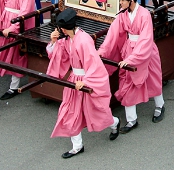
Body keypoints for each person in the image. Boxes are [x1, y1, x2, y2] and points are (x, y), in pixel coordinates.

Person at [47, 9, 120, 158]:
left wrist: (86, 81)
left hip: (87, 79)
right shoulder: (67, 39)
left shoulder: (84, 40)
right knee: (70, 110)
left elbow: (95, 66)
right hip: (74, 79)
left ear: (65, 28)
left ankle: (114, 122)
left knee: (97, 111)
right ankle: (77, 146)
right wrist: (53, 42)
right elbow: (59, 55)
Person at [97, 0, 165, 132]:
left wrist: (131, 59)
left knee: (152, 79)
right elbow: (113, 34)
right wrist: (103, 50)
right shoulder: (122, 15)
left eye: (122, 0)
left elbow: (146, 39)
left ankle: (160, 105)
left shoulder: (145, 15)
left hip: (146, 52)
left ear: (132, 1)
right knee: (127, 83)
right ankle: (131, 119)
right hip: (129, 50)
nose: (120, 2)